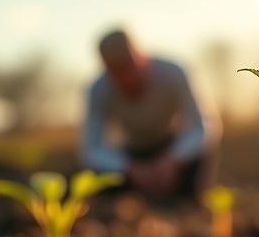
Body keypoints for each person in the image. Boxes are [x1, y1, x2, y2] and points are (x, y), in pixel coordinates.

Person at [79, 29, 221, 200]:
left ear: (142, 57)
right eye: (117, 72)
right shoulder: (98, 89)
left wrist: (173, 159)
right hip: (132, 154)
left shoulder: (173, 73)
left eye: (129, 67)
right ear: (107, 70)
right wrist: (130, 169)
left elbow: (205, 127)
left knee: (197, 165)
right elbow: (91, 150)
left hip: (172, 146)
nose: (126, 78)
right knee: (99, 178)